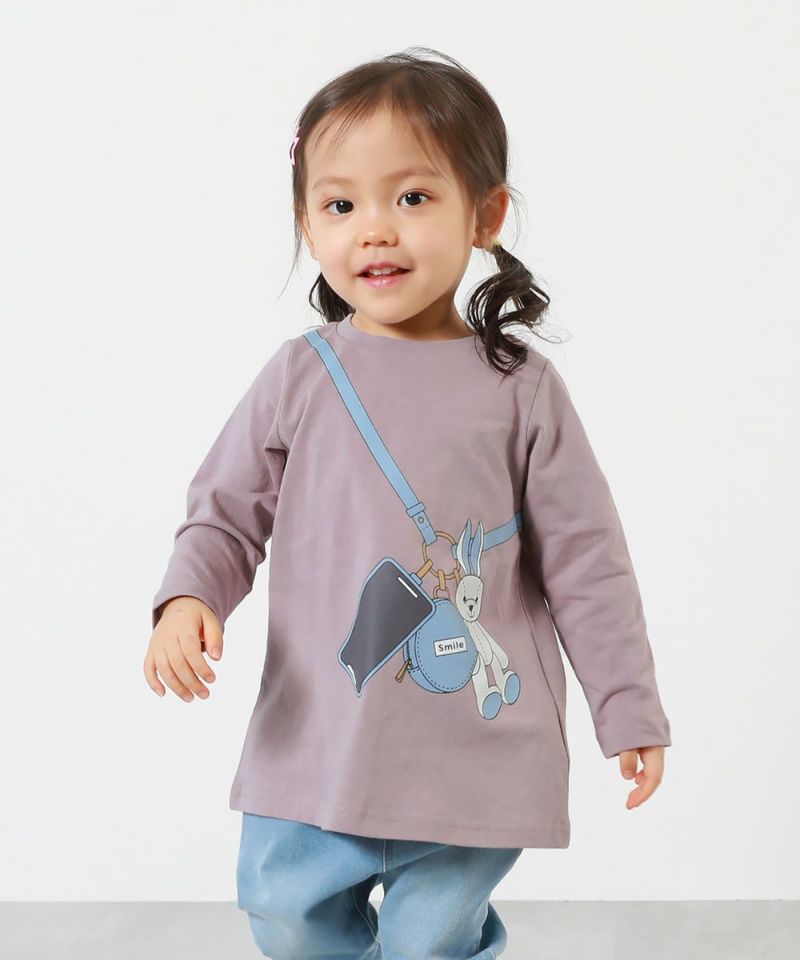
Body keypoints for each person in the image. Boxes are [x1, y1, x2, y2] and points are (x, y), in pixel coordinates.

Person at [144, 47, 672, 960]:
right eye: (340, 205)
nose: (375, 231)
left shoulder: (520, 390)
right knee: (281, 910)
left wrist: (626, 706)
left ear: (486, 215)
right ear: (307, 223)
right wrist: (189, 595)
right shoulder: (302, 376)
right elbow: (225, 509)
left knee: (431, 944)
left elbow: (589, 563)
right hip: (319, 738)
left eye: (413, 197)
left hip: (472, 745)